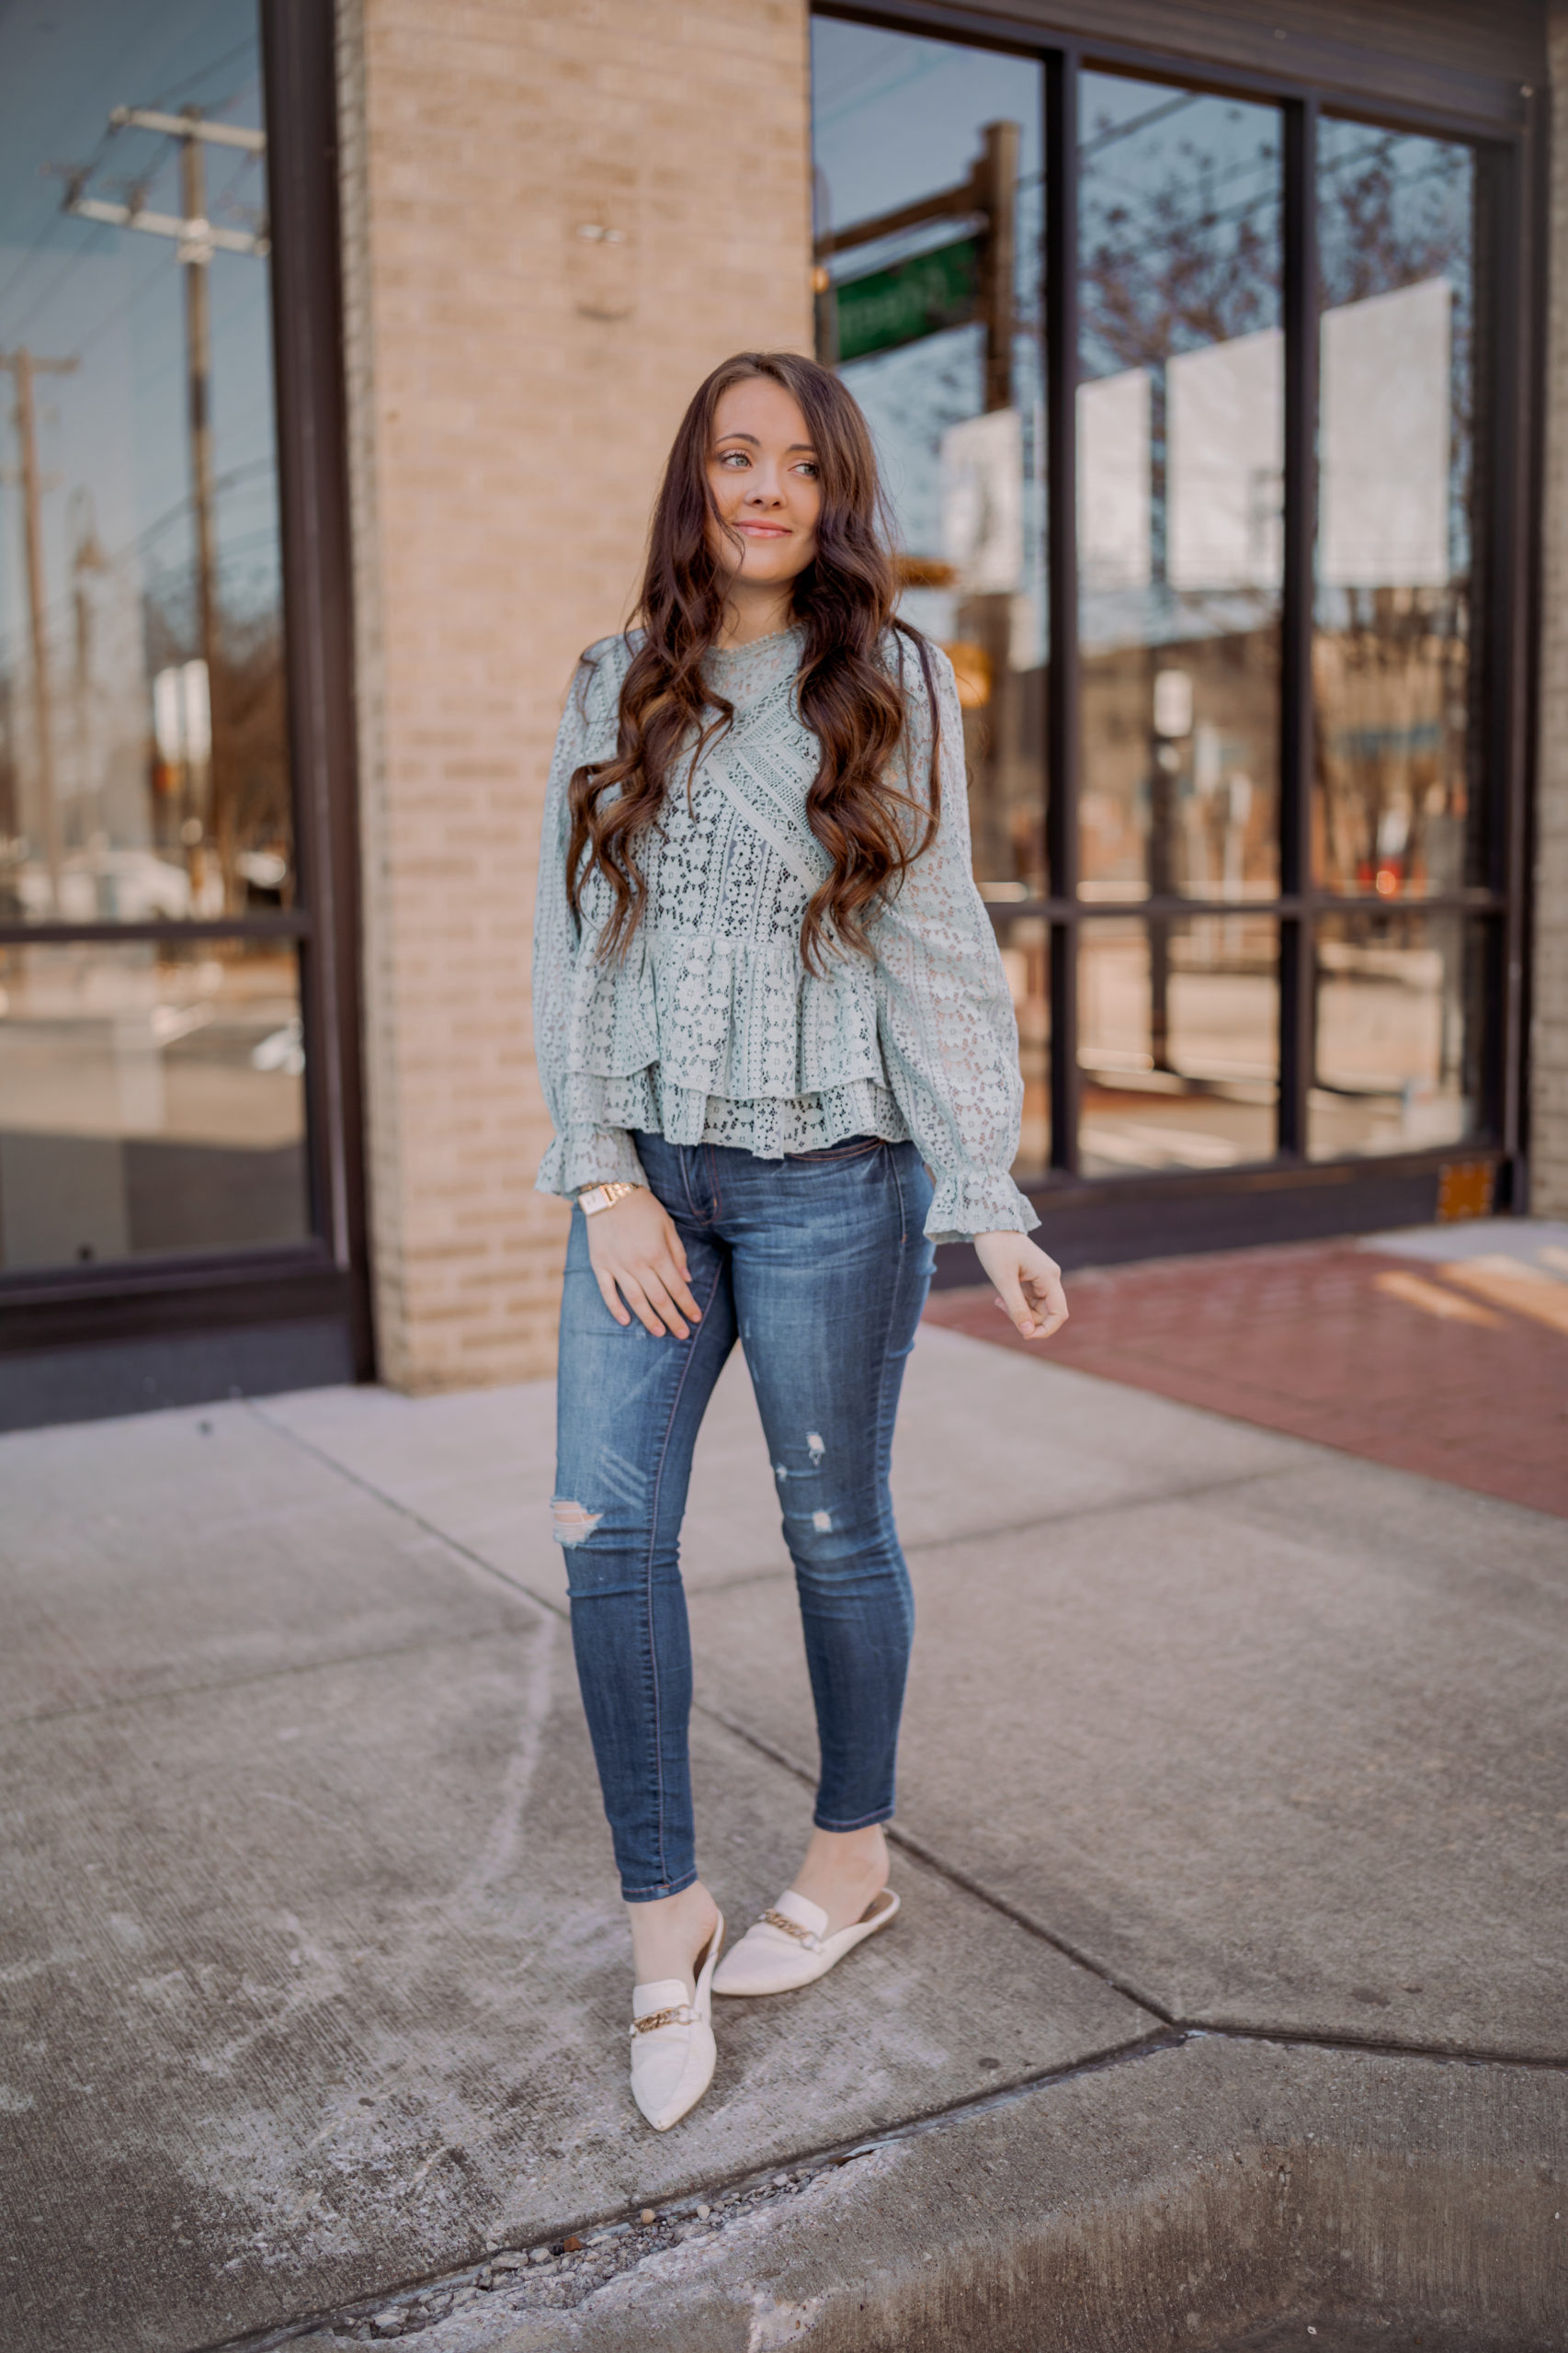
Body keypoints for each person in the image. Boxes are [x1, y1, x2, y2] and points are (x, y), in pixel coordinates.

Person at [532, 350, 1067, 2132]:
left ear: (834, 494)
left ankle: (851, 1862)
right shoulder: (614, 683)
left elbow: (933, 942)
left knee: (834, 1527)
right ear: (695, 481)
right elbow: (569, 946)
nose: (761, 488)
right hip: (652, 1188)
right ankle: (659, 1913)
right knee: (608, 1529)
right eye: (731, 456)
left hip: (841, 1176)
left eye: (796, 464)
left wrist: (981, 1188)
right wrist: (601, 1175)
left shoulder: (892, 680)